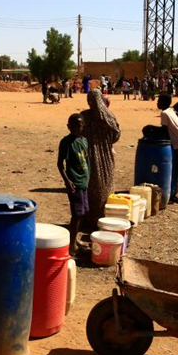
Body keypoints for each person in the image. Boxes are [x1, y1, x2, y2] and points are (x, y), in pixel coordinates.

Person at [81, 89, 121, 226]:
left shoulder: (84, 116)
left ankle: (89, 219)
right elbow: (116, 135)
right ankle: (104, 219)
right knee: (105, 184)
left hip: (89, 156)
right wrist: (106, 142)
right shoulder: (109, 116)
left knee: (90, 186)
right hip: (106, 156)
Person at [58, 113, 89, 255]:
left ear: (83, 126)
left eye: (80, 125)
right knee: (76, 214)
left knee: (82, 213)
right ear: (68, 127)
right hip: (74, 183)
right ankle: (71, 245)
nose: (77, 128)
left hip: (84, 182)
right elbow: (60, 164)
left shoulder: (84, 141)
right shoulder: (66, 142)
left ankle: (75, 239)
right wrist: (67, 181)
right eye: (74, 126)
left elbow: (87, 161)